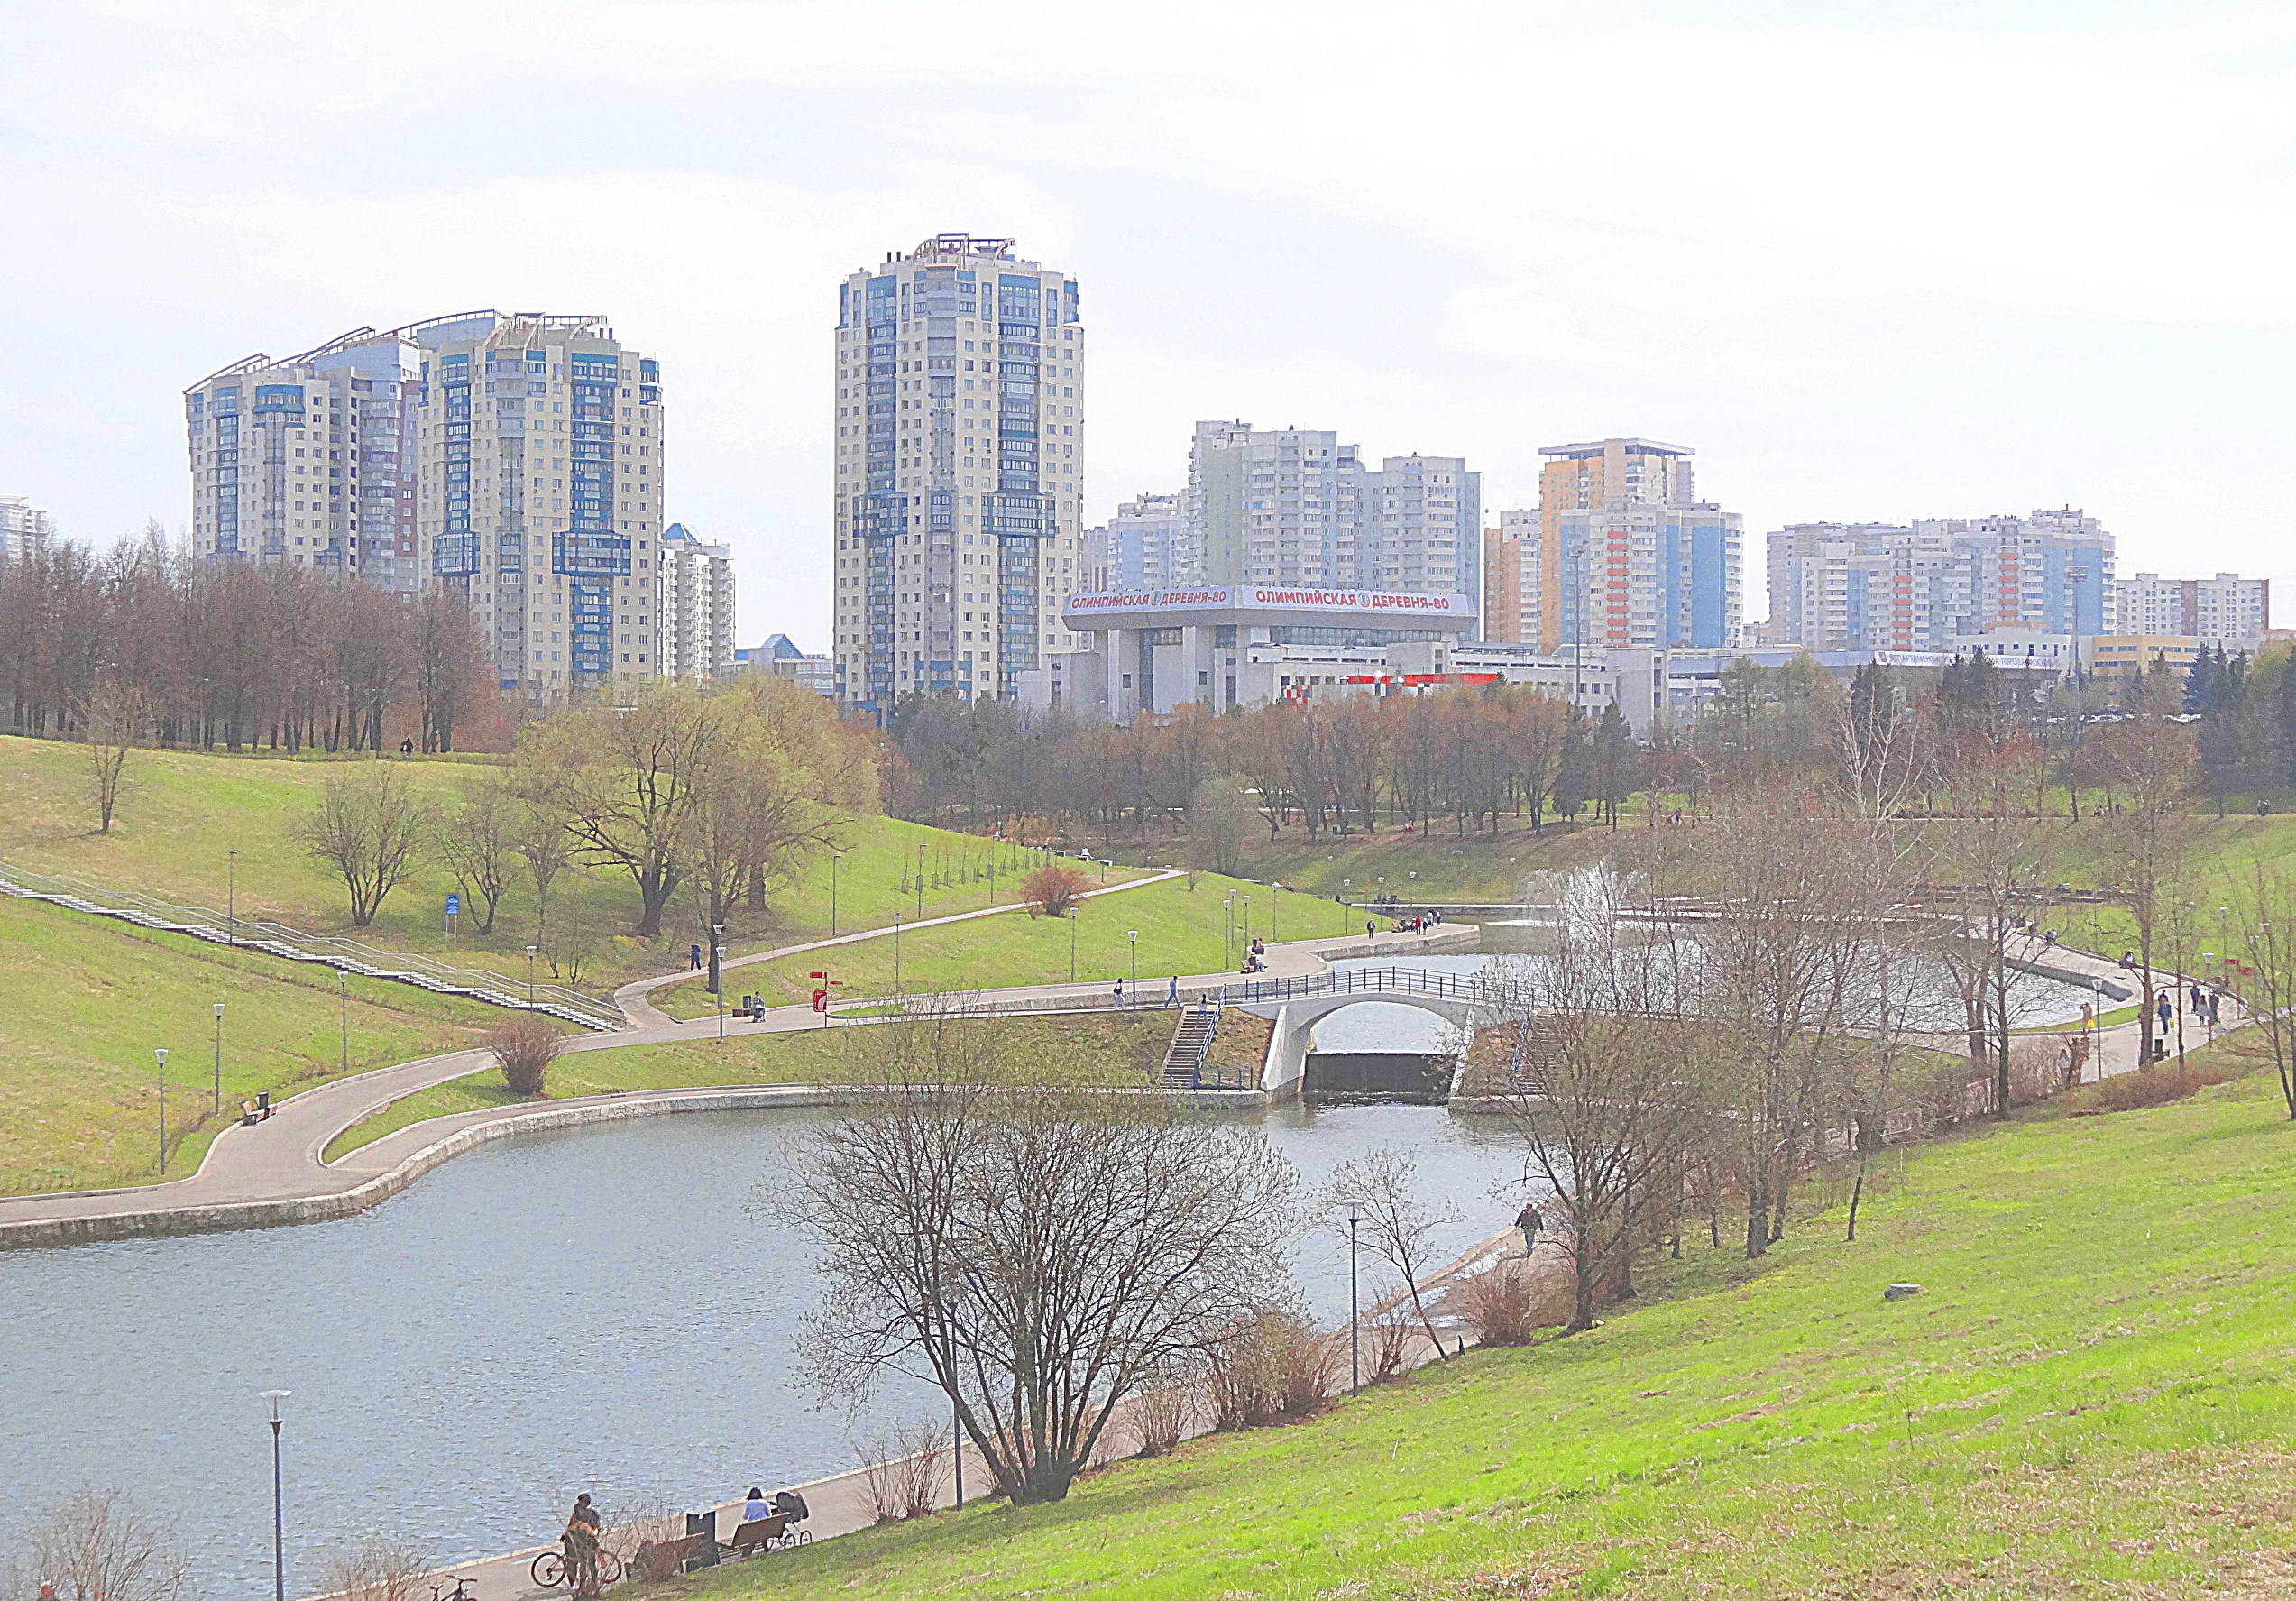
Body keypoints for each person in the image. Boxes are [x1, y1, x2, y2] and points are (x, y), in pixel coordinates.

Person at [564, 1494, 602, 1597]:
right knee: (590, 1563)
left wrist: (566, 1533)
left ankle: (580, 1585)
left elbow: (571, 1526)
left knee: (577, 1562)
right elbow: (596, 1530)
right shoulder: (593, 1514)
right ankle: (593, 1582)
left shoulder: (578, 1512)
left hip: (578, 1542)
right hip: (589, 1542)